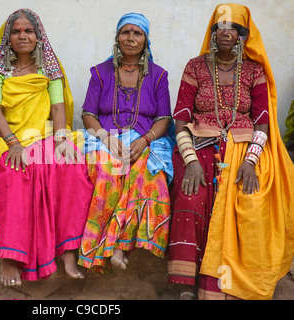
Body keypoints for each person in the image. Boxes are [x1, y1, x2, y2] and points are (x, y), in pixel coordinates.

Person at [167, 3, 294, 300]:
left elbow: (262, 123)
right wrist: (191, 161)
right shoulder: (195, 66)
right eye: (220, 26)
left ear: (242, 34)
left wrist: (250, 163)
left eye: (233, 27)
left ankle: (228, 287)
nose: (226, 31)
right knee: (192, 194)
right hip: (198, 145)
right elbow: (182, 118)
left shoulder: (254, 71)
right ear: (213, 31)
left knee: (249, 198)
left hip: (245, 148)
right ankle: (188, 284)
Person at [0, 8, 93, 286]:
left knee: (72, 169)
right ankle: (11, 258)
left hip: (45, 134)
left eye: (28, 30)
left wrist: (62, 139)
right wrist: (13, 143)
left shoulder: (50, 69)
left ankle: (67, 250)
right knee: (16, 174)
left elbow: (58, 108)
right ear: (8, 38)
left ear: (38, 37)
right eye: (16, 31)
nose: (22, 35)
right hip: (9, 136)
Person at [77, 13, 174, 272]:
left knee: (150, 175)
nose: (131, 38)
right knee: (109, 173)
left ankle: (120, 245)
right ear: (117, 37)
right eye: (126, 32)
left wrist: (145, 141)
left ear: (146, 40)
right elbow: (88, 114)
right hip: (104, 139)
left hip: (144, 140)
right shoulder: (100, 73)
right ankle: (98, 251)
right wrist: (106, 137)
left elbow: (164, 118)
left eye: (137, 33)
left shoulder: (158, 76)